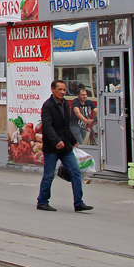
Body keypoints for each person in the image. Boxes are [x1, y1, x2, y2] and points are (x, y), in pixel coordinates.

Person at [36, 80, 93, 212]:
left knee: (76, 172)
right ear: (53, 89)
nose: (63, 92)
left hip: (66, 147)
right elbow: (48, 127)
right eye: (60, 89)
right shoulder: (48, 106)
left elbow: (66, 126)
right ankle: (42, 201)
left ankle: (79, 202)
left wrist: (72, 140)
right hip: (52, 148)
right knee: (49, 175)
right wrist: (56, 141)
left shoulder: (65, 104)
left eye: (64, 90)